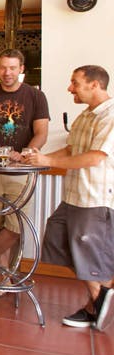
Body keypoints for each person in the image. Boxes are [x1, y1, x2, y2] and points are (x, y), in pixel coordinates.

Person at [25, 65, 114, 330]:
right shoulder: (85, 116)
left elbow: (97, 157)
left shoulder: (110, 116)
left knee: (89, 252)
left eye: (75, 83)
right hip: (73, 195)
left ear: (95, 85)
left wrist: (49, 159)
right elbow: (73, 148)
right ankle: (101, 295)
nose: (70, 88)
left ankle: (94, 303)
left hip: (95, 196)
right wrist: (38, 160)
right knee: (57, 238)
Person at [0, 49, 49, 289]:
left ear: (21, 69)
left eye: (12, 68)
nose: (7, 73)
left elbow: (41, 133)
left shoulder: (36, 97)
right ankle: (1, 276)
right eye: (3, 67)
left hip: (21, 172)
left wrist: (25, 153)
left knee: (16, 225)